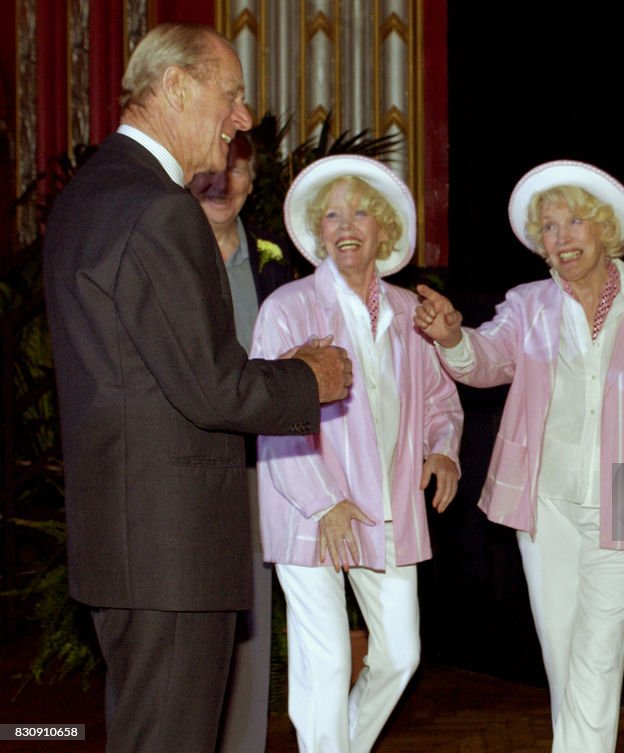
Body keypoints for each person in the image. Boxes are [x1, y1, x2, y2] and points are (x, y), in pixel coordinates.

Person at [42, 23, 351, 753]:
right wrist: (312, 376)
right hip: (167, 553)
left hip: (131, 545)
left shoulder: (94, 191)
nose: (242, 118)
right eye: (232, 95)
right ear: (175, 87)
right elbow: (212, 388)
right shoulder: (158, 208)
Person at [414, 159, 624, 753]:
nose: (562, 236)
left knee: (597, 657)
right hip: (546, 505)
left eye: (575, 221)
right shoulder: (529, 304)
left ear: (604, 230)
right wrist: (451, 337)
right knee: (563, 653)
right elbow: (488, 359)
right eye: (550, 227)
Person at [253, 154, 463, 753]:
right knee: (323, 668)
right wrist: (325, 504)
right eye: (334, 214)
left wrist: (443, 451)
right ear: (319, 230)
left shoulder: (408, 313)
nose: (346, 224)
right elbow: (273, 420)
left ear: (385, 230)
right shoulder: (287, 308)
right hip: (308, 510)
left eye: (362, 212)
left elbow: (440, 399)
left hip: (387, 506)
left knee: (400, 654)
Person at [188, 131, 300, 753]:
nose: (222, 181)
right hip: (195, 458)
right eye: (213, 167)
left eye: (237, 171)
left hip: (262, 461)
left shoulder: (272, 260)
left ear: (253, 184)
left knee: (253, 612)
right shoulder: (172, 252)